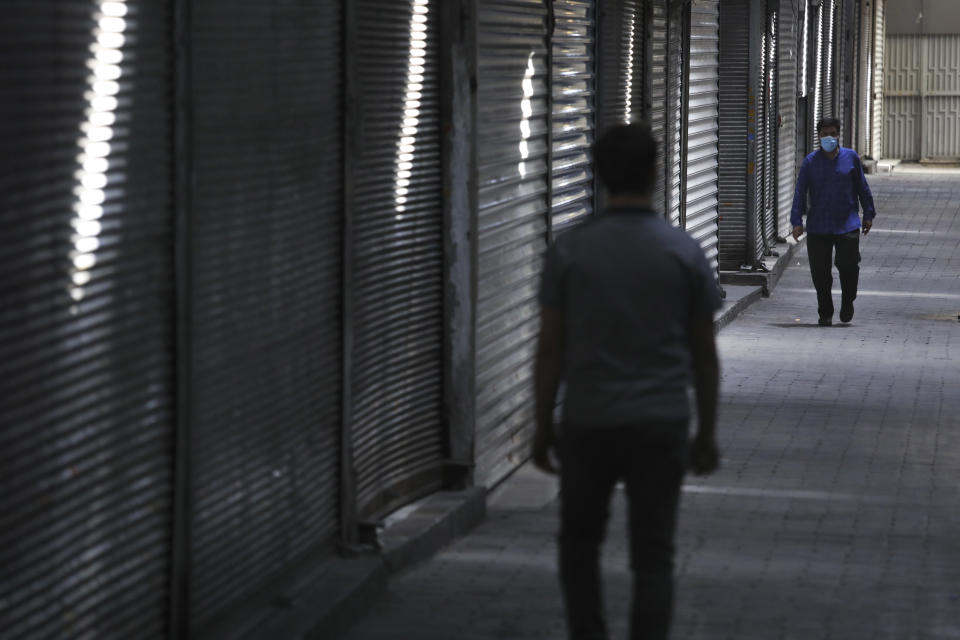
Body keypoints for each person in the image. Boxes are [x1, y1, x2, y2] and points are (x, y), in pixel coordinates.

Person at [531, 122, 722, 640]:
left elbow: (550, 350)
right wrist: (705, 432)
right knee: (654, 553)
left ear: (598, 176)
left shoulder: (570, 251)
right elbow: (705, 356)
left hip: (588, 421)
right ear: (655, 175)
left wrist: (542, 426)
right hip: (661, 423)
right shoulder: (683, 252)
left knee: (579, 544)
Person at [791, 117, 877, 326]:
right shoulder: (810, 163)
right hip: (819, 226)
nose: (828, 138)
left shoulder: (851, 158)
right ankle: (825, 312)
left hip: (847, 224)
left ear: (839, 135)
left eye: (832, 134)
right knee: (820, 273)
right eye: (824, 134)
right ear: (818, 136)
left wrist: (868, 213)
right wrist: (796, 221)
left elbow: (862, 187)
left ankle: (848, 301)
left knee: (848, 266)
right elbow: (800, 192)